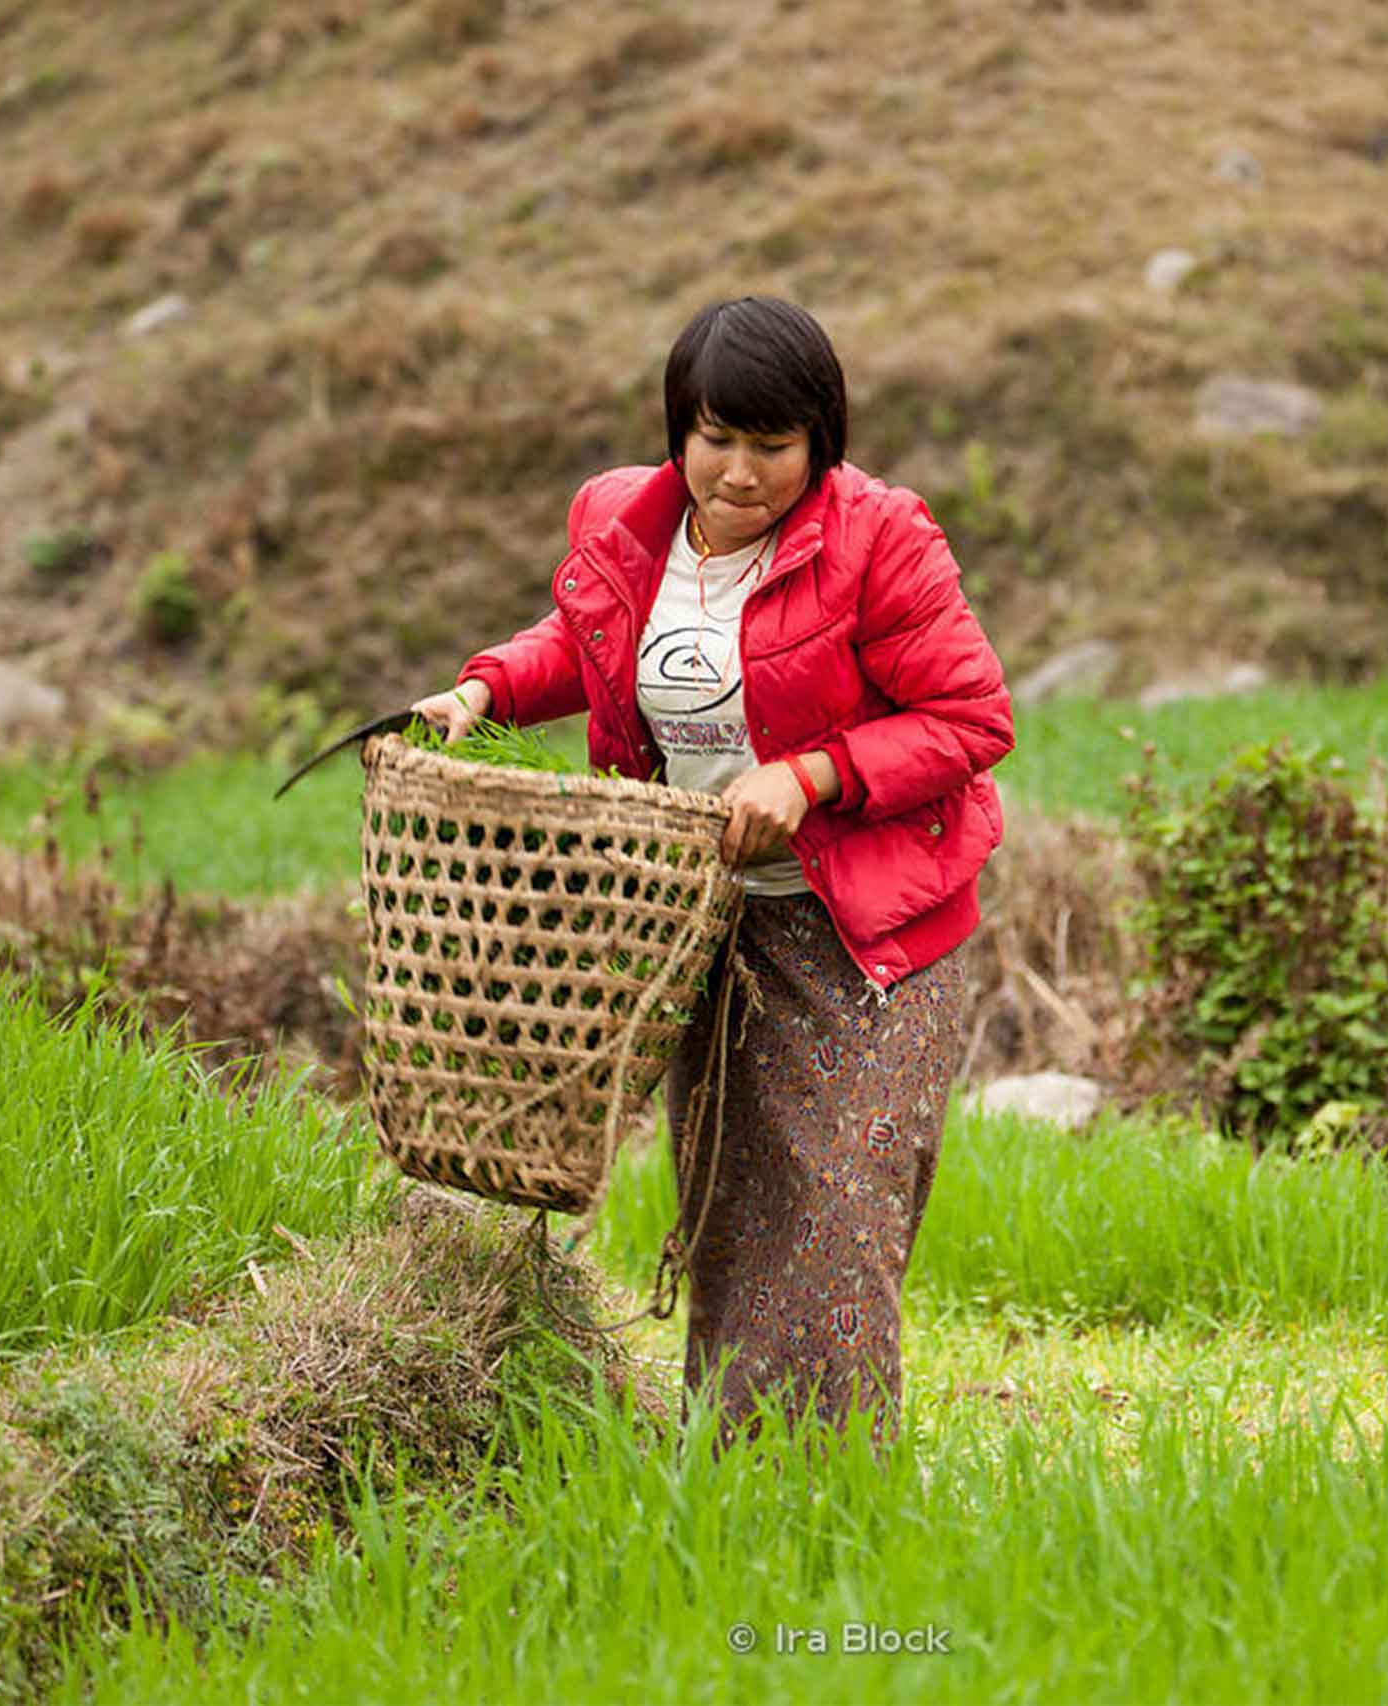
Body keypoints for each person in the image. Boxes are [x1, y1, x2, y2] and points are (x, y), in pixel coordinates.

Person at [413, 295, 1013, 1441]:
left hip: (864, 930)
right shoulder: (620, 518)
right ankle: (734, 1471)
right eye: (714, 438)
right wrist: (485, 686)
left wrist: (813, 774)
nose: (737, 473)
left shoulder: (880, 536)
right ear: (678, 428)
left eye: (770, 446)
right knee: (735, 1204)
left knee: (839, 1204)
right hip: (707, 920)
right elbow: (584, 641)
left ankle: (832, 1482)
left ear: (818, 443)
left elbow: (970, 716)